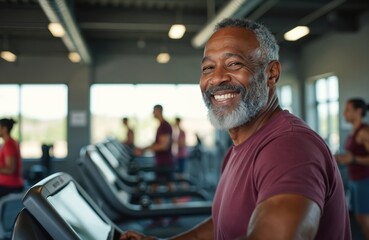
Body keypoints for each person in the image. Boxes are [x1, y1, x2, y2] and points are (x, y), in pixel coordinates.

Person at [121, 18, 351, 240]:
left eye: (234, 64)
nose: (217, 78)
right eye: (208, 68)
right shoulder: (237, 150)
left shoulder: (289, 147)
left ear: (271, 74)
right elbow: (225, 225)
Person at [335, 98, 369, 239]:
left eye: (348, 109)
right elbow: (352, 155)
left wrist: (353, 159)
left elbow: (354, 157)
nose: (344, 113)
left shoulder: (364, 132)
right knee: (359, 218)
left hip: (364, 181)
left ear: (359, 111)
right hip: (355, 180)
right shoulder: (353, 132)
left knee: (364, 218)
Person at [0, 118, 24, 198]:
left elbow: (10, 170)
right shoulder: (11, 142)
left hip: (10, 186)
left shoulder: (9, 145)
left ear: (4, 129)